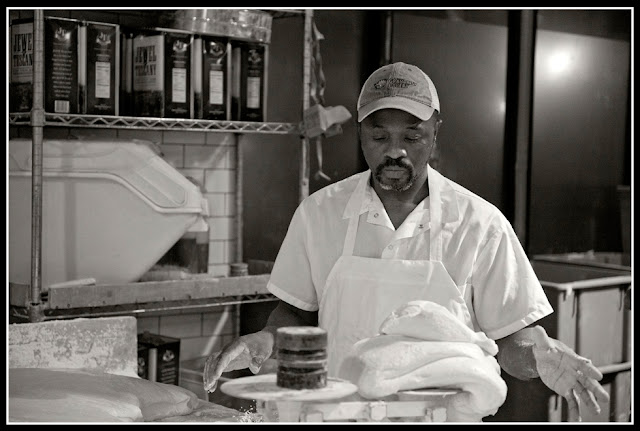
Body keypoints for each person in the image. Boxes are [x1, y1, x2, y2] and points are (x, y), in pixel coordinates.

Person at [203, 62, 609, 421]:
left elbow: (511, 340)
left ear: (436, 133)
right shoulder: (319, 213)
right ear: (361, 134)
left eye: (412, 137)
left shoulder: (479, 224)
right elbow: (293, 316)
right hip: (335, 418)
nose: (394, 151)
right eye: (379, 137)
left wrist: (541, 356)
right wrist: (262, 342)